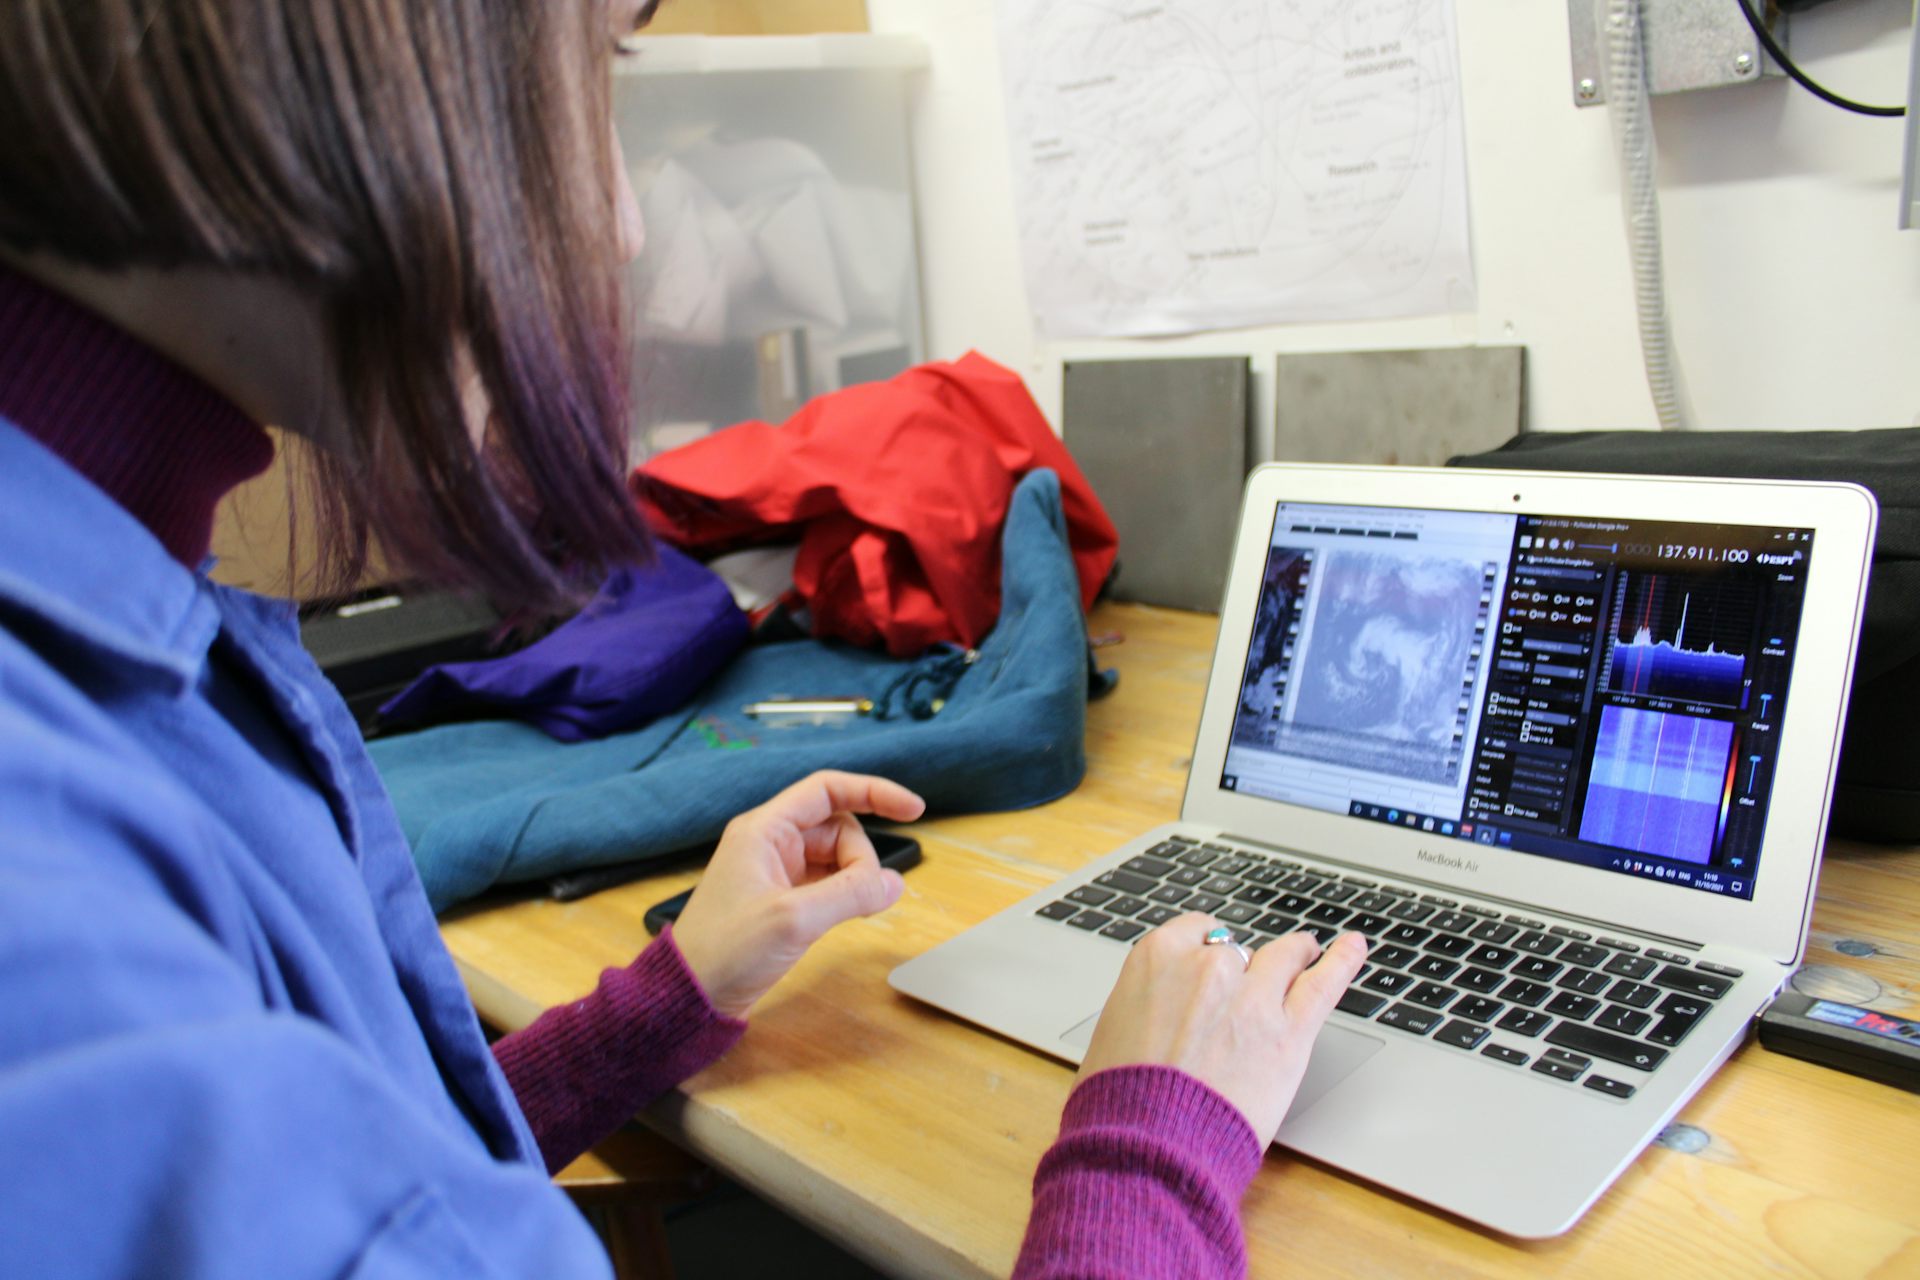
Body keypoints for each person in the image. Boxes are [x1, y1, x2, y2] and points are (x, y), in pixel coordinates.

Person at [0, 2, 1365, 1277]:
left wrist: (667, 1000)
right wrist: (1154, 1143)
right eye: (588, 69)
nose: (626, 218)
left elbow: (356, 1191)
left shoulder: (121, 647)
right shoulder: (55, 922)